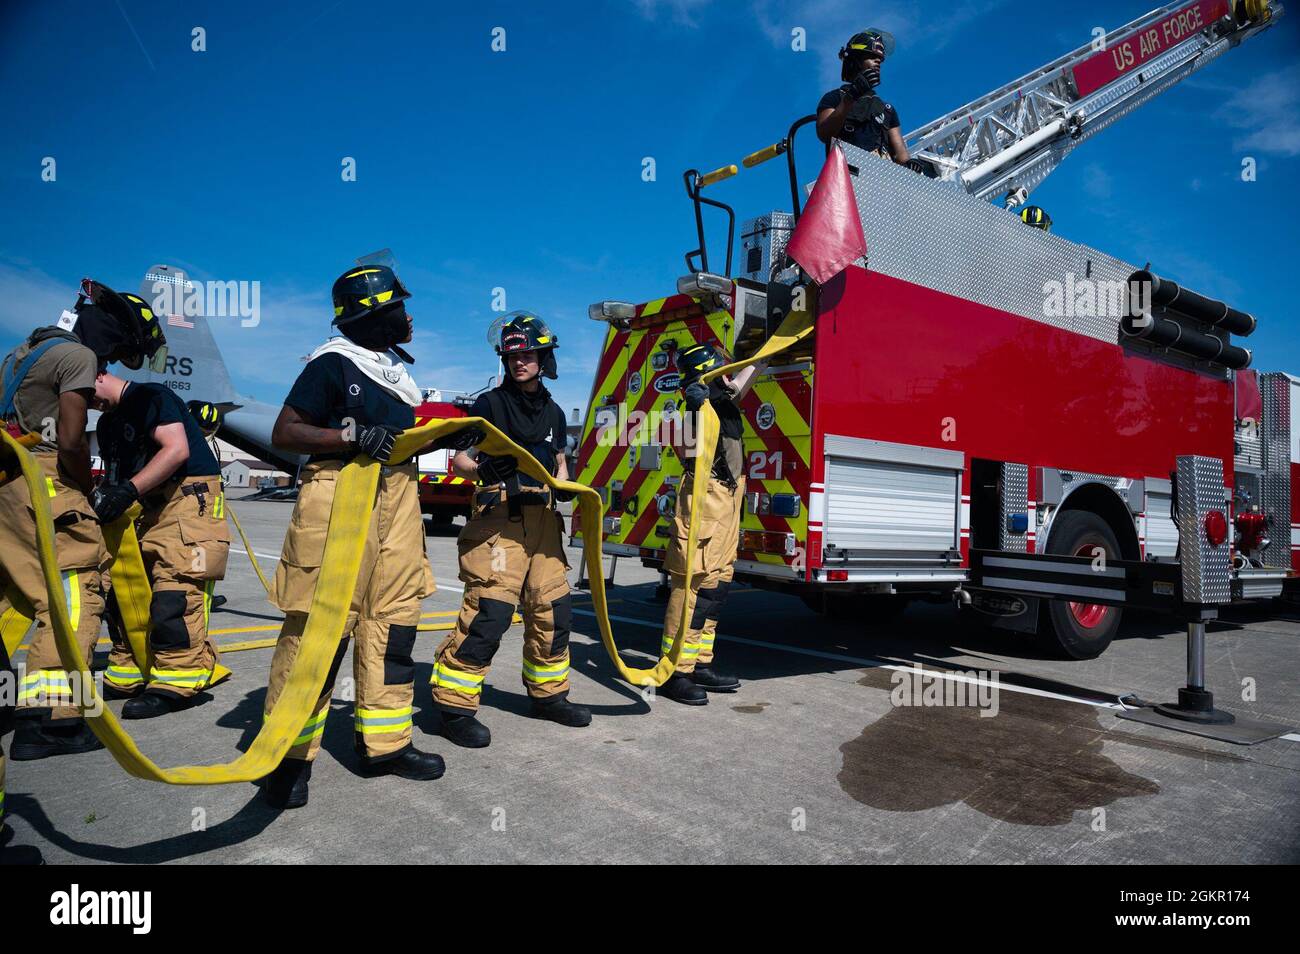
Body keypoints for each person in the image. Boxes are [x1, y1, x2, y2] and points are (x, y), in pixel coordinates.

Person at [260, 264, 446, 809]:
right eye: (399, 308)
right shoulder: (333, 363)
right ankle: (285, 759)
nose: (409, 318)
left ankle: (385, 746)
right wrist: (352, 433)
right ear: (373, 312)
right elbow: (286, 431)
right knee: (317, 630)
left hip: (397, 506)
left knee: (393, 627)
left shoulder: (391, 373)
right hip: (339, 499)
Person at [0, 279, 165, 759]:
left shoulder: (15, 356)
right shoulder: (78, 357)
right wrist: (87, 488)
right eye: (115, 353)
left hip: (7, 482)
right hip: (46, 481)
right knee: (73, 594)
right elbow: (71, 439)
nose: (108, 366)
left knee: (15, 591)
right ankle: (51, 721)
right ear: (112, 335)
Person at [431, 311, 591, 748]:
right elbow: (459, 460)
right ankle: (453, 706)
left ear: (544, 357)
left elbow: (559, 461)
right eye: (511, 356)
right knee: (490, 612)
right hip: (500, 522)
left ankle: (549, 696)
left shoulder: (556, 413)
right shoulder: (489, 406)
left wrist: (568, 486)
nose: (519, 362)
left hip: (543, 522)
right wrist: (484, 470)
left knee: (553, 611)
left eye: (527, 355)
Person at [92, 371, 230, 717]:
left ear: (98, 374)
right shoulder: (109, 423)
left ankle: (177, 680)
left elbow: (177, 449)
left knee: (175, 589)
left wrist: (126, 492)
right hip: (145, 501)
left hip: (187, 495)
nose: (85, 401)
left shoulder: (152, 397)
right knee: (124, 590)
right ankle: (127, 671)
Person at [657, 341, 766, 705]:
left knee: (716, 589)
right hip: (705, 501)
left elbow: (749, 374)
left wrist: (770, 350)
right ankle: (673, 672)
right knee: (692, 589)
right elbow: (686, 452)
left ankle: (699, 662)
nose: (729, 374)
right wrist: (692, 408)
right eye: (722, 369)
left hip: (729, 502)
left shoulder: (725, 401)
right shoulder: (690, 411)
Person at [816, 29, 910, 165]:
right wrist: (850, 98)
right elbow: (824, 134)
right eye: (872, 57)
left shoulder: (887, 110)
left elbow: (901, 156)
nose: (878, 61)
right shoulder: (834, 98)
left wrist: (911, 164)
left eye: (880, 60)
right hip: (847, 175)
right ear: (856, 60)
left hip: (882, 175)